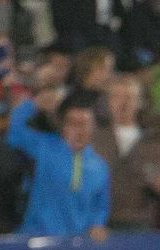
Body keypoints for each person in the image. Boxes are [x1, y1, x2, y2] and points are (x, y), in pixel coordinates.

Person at [8, 90, 112, 238]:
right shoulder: (45, 147)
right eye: (72, 124)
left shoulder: (100, 167)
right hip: (36, 241)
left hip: (75, 248)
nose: (78, 131)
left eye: (83, 124)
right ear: (63, 126)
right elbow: (15, 133)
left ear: (93, 127)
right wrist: (33, 105)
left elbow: (100, 208)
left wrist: (97, 225)